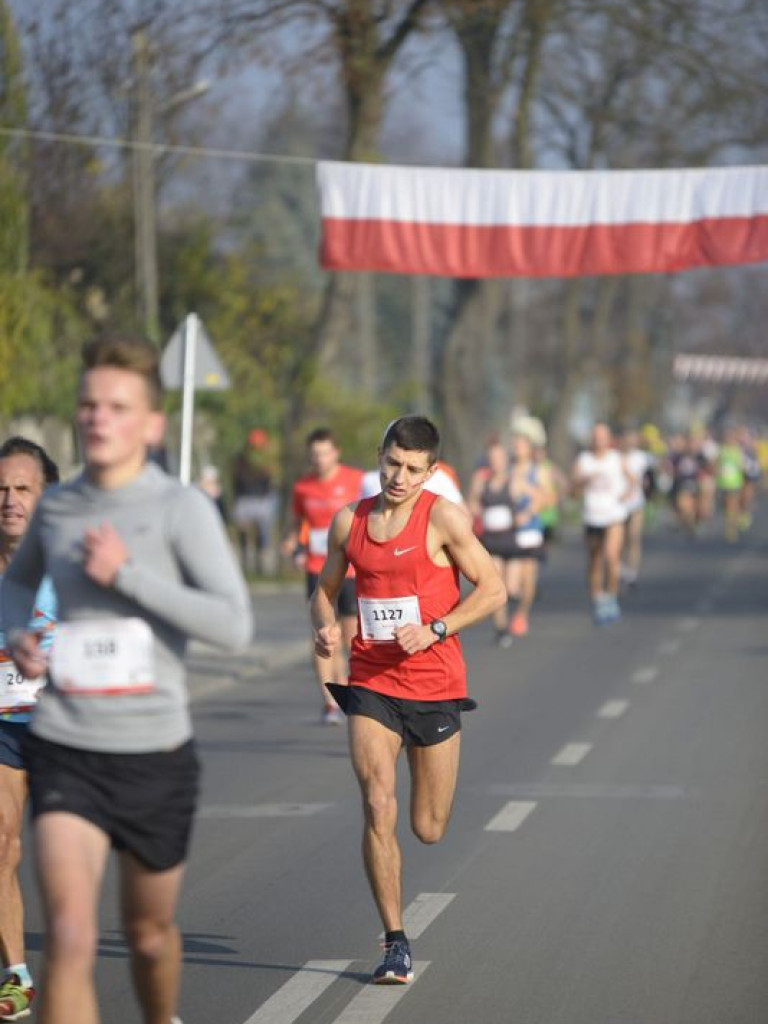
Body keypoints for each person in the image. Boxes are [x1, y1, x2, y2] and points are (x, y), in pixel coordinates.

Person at [1, 334, 252, 1024]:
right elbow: (18, 586)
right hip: (65, 747)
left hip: (153, 754)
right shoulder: (57, 508)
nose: (98, 418)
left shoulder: (181, 510)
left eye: (117, 406)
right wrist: (20, 633)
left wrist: (128, 577)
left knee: (146, 937)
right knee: (73, 938)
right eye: (88, 405)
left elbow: (234, 625)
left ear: (151, 423)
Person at [310, 416, 506, 983]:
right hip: (371, 680)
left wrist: (438, 629)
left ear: (431, 471)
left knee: (428, 826)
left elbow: (492, 589)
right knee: (377, 803)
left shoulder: (443, 517)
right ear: (380, 455)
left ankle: (402, 912)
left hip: (436, 684)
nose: (399, 476)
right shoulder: (351, 521)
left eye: (413, 469)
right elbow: (324, 594)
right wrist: (325, 627)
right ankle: (395, 940)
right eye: (392, 463)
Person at [0, 438, 59, 1022]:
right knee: (1, 844)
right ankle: (16, 974)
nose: (9, 501)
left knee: (63, 858)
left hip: (65, 727)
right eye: (1, 490)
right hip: (4, 727)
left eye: (22, 489)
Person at [283, 428, 363, 724]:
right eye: (314, 454)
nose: (319, 459)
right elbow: (296, 522)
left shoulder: (355, 481)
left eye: (324, 453)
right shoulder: (303, 487)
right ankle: (329, 701)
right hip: (318, 568)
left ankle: (351, 689)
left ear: (336, 453)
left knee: (351, 635)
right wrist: (292, 541)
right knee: (322, 634)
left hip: (352, 568)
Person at [571, 423, 633, 625]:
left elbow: (634, 480)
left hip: (613, 514)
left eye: (602, 436)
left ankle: (612, 597)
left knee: (611, 556)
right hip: (592, 516)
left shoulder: (616, 458)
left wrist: (627, 494)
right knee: (595, 560)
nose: (599, 440)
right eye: (596, 436)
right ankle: (598, 598)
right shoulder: (584, 460)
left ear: (608, 439)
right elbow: (573, 491)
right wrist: (584, 481)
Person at [231, 433, 278, 575]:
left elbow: (270, 482)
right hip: (245, 499)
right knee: (243, 532)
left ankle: (262, 566)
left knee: (263, 534)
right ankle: (245, 563)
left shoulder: (267, 461)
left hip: (262, 500)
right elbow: (237, 481)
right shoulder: (241, 460)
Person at [618, 428, 652, 588]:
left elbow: (650, 477)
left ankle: (632, 572)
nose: (630, 442)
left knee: (634, 537)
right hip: (618, 504)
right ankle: (620, 567)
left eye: (633, 438)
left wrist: (648, 487)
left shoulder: (642, 457)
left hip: (636, 502)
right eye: (627, 438)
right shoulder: (615, 457)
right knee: (621, 539)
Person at [716, 426, 745, 542]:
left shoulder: (738, 451)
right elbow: (716, 465)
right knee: (726, 506)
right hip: (723, 483)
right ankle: (731, 523)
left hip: (735, 483)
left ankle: (731, 528)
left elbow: (742, 466)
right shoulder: (721, 451)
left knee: (732, 504)